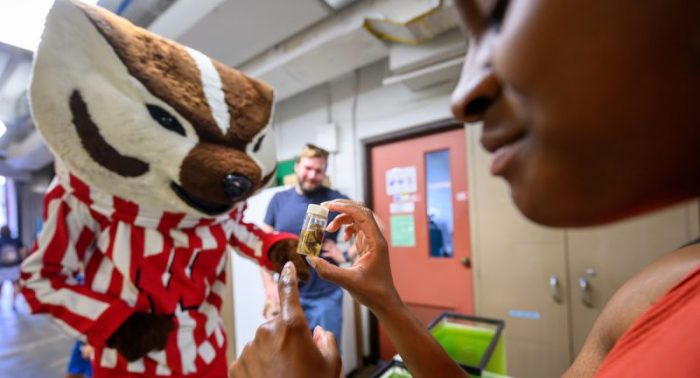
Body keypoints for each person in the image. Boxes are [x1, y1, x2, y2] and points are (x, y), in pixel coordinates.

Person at [230, 1, 700, 377]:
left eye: (496, 14)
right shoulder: (656, 291)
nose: (463, 97)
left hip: (326, 293)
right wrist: (384, 300)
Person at [258, 143, 354, 348]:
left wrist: (344, 256)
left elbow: (373, 229)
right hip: (289, 294)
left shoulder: (335, 200)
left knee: (327, 358)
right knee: (294, 357)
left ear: (324, 172)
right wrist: (267, 283)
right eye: (308, 168)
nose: (312, 175)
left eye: (318, 171)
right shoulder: (278, 200)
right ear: (297, 167)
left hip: (325, 296)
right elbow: (262, 245)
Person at [0, 225, 26, 309]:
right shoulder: (16, 240)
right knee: (15, 285)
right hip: (14, 266)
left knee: (1, 285)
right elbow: (23, 252)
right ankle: (13, 303)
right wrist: (22, 262)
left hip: (2, 267)